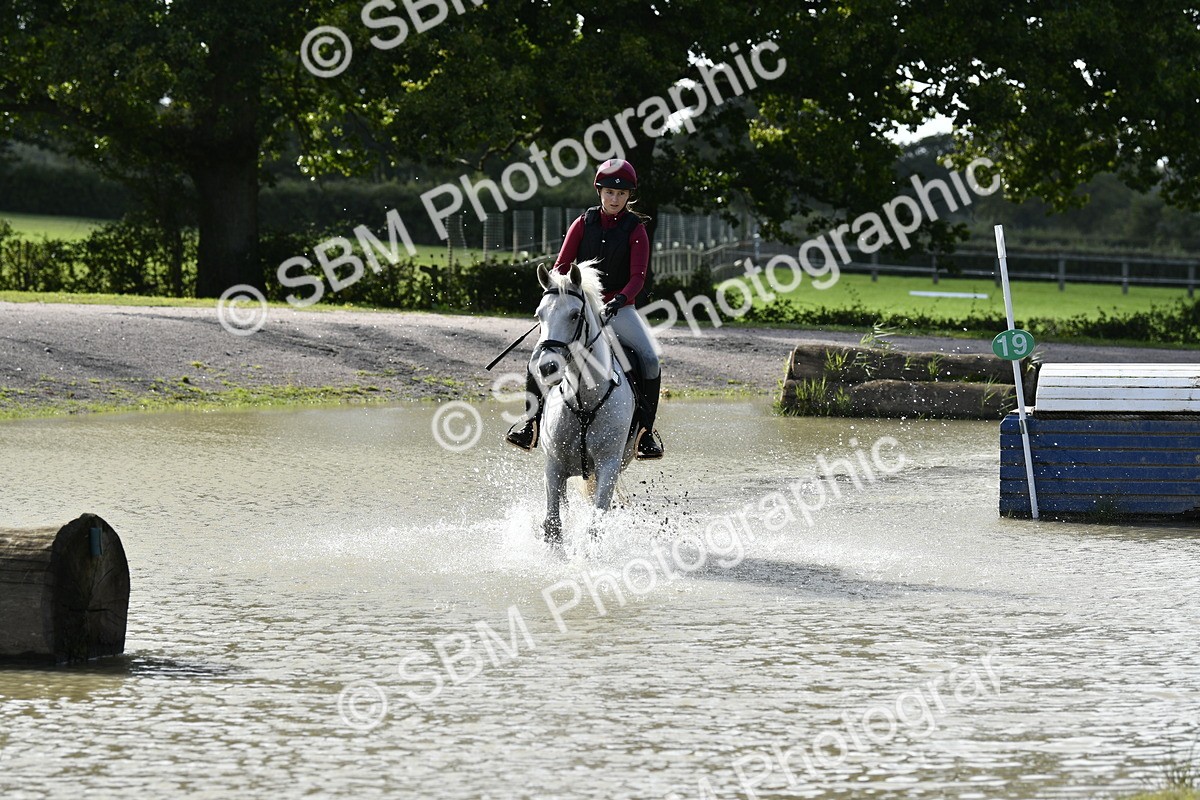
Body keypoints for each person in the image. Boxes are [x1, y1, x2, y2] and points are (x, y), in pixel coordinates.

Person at [505, 157, 665, 460]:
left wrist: (619, 300)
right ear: (599, 192)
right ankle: (531, 424)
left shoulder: (636, 230)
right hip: (578, 307)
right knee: (538, 357)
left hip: (619, 308)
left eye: (620, 194)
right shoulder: (582, 223)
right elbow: (561, 266)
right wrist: (558, 297)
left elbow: (638, 278)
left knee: (650, 358)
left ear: (629, 196)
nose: (614, 199)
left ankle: (645, 432)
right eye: (609, 193)